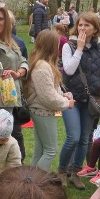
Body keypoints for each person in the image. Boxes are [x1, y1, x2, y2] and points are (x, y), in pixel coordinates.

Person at [58, 11, 100, 189]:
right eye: (80, 24)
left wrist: (99, 85)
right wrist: (79, 48)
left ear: (95, 29)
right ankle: (62, 171)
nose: (82, 28)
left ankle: (76, 171)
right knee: (73, 137)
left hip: (90, 99)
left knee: (85, 139)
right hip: (71, 98)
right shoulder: (68, 46)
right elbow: (69, 71)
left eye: (87, 25)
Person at [0, 3, 29, 160]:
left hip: (12, 97)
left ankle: (16, 172)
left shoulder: (11, 42)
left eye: (0, 19)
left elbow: (23, 60)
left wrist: (19, 72)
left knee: (15, 137)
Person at [24, 30, 75, 171]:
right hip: (42, 112)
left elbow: (51, 90)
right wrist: (67, 103)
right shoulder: (42, 67)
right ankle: (39, 184)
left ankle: (30, 183)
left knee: (40, 151)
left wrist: (64, 95)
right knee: (51, 150)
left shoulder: (43, 64)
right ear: (52, 46)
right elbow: (48, 98)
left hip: (40, 110)